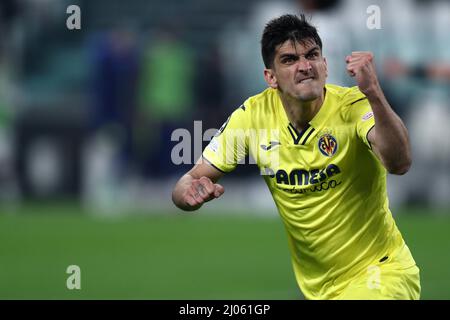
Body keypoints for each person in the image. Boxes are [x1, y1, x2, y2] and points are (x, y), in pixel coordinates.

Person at [171, 14, 420, 300]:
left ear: (325, 66)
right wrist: (187, 193)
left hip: (380, 274)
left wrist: (374, 93)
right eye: (289, 60)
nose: (305, 66)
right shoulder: (253, 116)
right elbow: (189, 180)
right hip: (319, 289)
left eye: (312, 55)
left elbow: (400, 163)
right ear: (270, 77)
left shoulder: (353, 106)